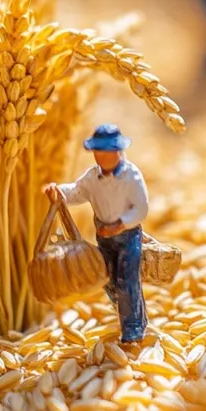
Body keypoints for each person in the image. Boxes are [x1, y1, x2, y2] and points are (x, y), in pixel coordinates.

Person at [44, 124, 148, 345]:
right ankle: (131, 313)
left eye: (106, 152)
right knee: (106, 278)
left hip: (128, 236)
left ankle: (133, 329)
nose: (101, 157)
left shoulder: (132, 176)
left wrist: (120, 225)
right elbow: (77, 192)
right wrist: (58, 192)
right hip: (104, 236)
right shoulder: (92, 178)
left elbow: (141, 208)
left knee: (127, 280)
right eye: (97, 153)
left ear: (118, 152)